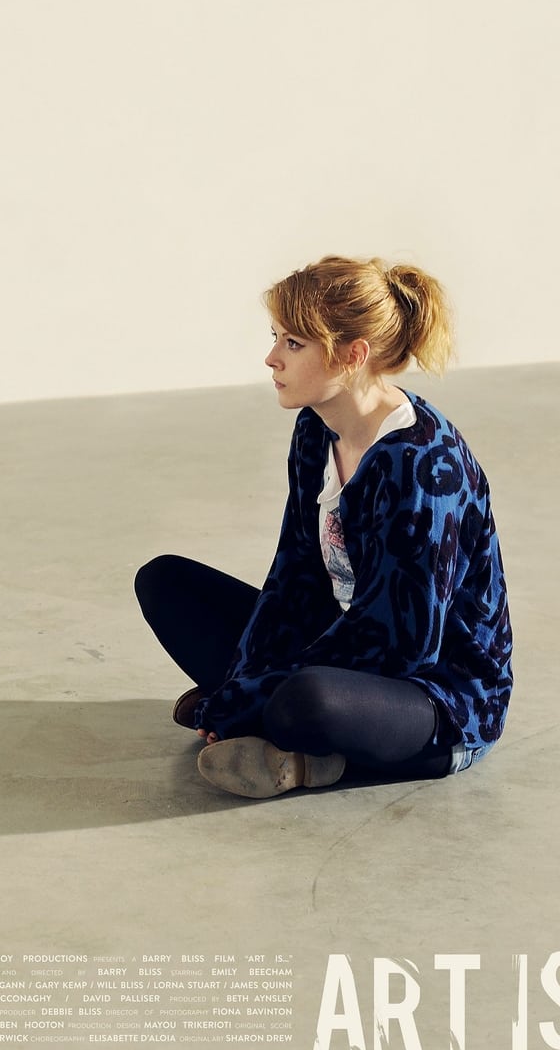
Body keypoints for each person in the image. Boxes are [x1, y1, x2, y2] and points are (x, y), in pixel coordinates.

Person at [135, 255, 513, 798]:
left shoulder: (422, 468)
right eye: (276, 338)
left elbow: (403, 647)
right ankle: (274, 723)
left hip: (434, 693)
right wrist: (247, 680)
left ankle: (309, 752)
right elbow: (293, 574)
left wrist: (253, 695)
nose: (272, 358)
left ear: (352, 355)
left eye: (293, 344)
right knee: (165, 582)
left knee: (306, 701)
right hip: (340, 639)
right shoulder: (315, 430)